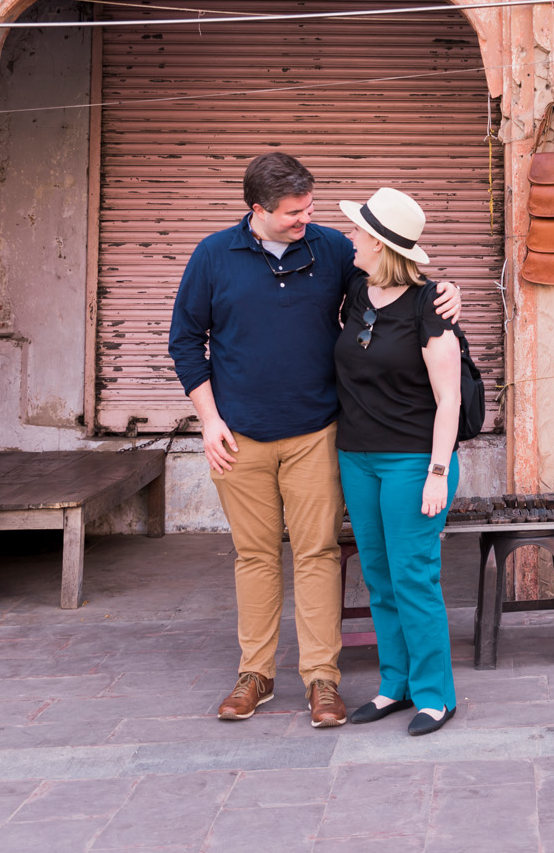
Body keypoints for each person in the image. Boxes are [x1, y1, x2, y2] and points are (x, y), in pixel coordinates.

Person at [168, 153, 459, 729]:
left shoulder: (329, 250)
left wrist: (447, 290)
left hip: (318, 435)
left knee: (320, 556)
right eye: (294, 212)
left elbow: (397, 282)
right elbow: (185, 341)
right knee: (254, 555)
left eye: (309, 208)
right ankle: (256, 673)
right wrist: (208, 419)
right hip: (239, 437)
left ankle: (322, 678)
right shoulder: (212, 256)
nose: (308, 219)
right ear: (258, 209)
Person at [332, 187, 463, 737]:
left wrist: (437, 471)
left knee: (413, 577)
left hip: (412, 461)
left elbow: (449, 398)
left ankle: (435, 695)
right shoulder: (355, 293)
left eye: (359, 232)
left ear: (382, 245)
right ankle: (396, 684)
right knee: (379, 578)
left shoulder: (429, 307)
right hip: (357, 458)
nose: (350, 238)